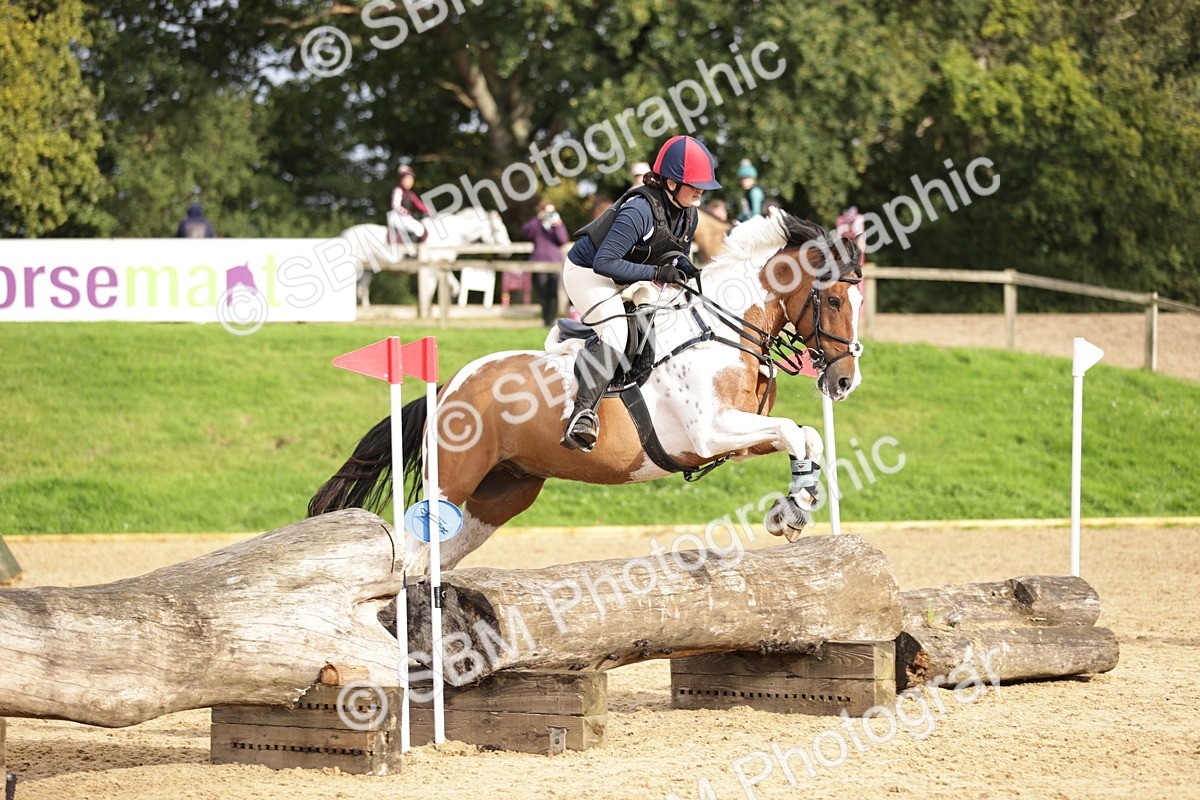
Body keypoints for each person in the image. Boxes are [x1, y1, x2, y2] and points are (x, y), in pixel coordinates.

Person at [559, 134, 720, 452]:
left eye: (703, 185)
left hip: (627, 275)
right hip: (588, 273)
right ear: (671, 183)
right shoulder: (639, 210)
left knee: (668, 319)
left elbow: (675, 254)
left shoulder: (689, 213)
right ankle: (582, 415)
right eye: (694, 184)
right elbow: (605, 263)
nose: (701, 191)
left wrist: (690, 270)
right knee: (617, 331)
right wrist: (658, 274)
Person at [521, 200, 571, 327]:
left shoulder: (556, 226)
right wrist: (538, 220)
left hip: (554, 263)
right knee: (543, 292)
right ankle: (545, 319)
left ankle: (552, 319)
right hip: (539, 262)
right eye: (546, 212)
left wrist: (558, 225)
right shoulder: (537, 225)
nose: (549, 215)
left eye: (551, 212)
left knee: (553, 292)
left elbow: (563, 239)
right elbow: (526, 232)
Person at [387, 164, 429, 246]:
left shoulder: (410, 193)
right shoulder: (398, 190)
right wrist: (408, 213)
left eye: (411, 179)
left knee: (420, 227)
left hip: (404, 217)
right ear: (401, 179)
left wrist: (428, 211)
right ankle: (409, 250)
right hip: (397, 217)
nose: (409, 181)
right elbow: (395, 206)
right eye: (407, 179)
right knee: (418, 229)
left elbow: (418, 204)